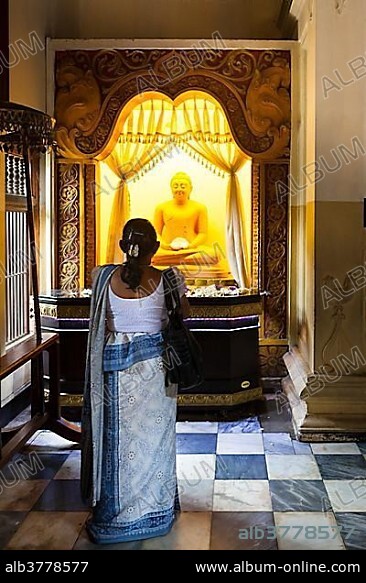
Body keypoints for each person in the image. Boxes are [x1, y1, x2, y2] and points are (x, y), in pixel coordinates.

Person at [81, 218, 189, 544]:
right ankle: (155, 509)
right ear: (155, 248)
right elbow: (185, 314)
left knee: (117, 442)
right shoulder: (169, 278)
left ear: (122, 247)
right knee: (156, 441)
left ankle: (116, 515)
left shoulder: (102, 277)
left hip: (115, 372)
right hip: (157, 372)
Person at [152, 171, 219, 266]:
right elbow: (156, 233)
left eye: (183, 186)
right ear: (171, 189)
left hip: (192, 250)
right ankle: (182, 260)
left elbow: (203, 234)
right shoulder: (162, 208)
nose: (179, 189)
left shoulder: (199, 207)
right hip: (169, 250)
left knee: (214, 254)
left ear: (190, 189)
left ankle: (176, 260)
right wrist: (164, 245)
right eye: (175, 186)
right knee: (152, 255)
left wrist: (191, 246)